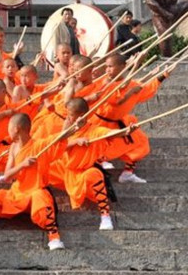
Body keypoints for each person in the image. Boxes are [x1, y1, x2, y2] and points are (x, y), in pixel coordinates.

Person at [0, 113, 70, 250]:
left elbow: (59, 139)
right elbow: (7, 176)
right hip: (16, 194)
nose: (7, 132)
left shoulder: (39, 145)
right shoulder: (13, 148)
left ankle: (54, 236)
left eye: (9, 127)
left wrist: (69, 126)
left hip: (34, 194)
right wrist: (22, 165)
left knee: (42, 197)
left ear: (17, 128)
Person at [48, 98, 135, 231]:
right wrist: (76, 140)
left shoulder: (95, 130)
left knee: (94, 174)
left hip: (83, 173)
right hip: (64, 171)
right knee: (41, 165)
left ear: (81, 116)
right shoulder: (68, 127)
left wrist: (126, 131)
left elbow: (111, 133)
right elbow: (59, 146)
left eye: (70, 114)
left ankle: (105, 215)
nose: (67, 117)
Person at [92, 54, 171, 183]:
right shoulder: (103, 82)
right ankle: (100, 161)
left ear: (122, 67)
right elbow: (117, 97)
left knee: (140, 141)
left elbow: (146, 89)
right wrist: (135, 65)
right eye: (106, 66)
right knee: (96, 146)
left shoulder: (132, 84)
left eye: (110, 66)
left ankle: (127, 173)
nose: (107, 70)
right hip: (98, 123)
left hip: (117, 123)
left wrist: (162, 76)